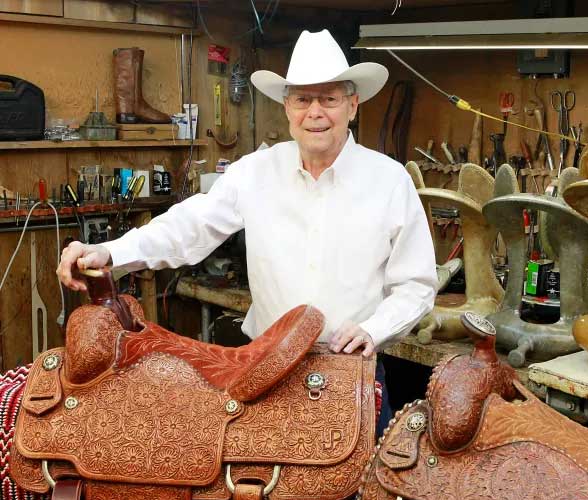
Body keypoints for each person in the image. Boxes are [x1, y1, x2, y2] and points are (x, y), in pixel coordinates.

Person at [56, 29, 438, 432]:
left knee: (361, 492)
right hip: (266, 369)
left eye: (329, 98)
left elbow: (416, 285)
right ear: (287, 106)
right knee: (262, 491)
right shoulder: (255, 172)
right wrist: (111, 252)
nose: (315, 112)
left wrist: (373, 331)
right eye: (303, 99)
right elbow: (191, 224)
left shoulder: (389, 181)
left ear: (353, 105)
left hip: (353, 373)